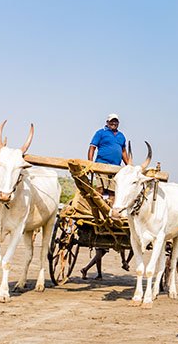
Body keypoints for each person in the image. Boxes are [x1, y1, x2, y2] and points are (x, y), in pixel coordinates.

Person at [80, 113, 132, 279]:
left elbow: (123, 151)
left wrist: (130, 166)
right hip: (102, 165)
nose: (113, 123)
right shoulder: (101, 133)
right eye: (111, 121)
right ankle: (102, 211)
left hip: (116, 168)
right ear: (107, 122)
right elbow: (92, 148)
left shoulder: (121, 136)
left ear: (118, 123)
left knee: (113, 193)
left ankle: (113, 211)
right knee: (101, 190)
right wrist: (91, 163)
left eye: (116, 121)